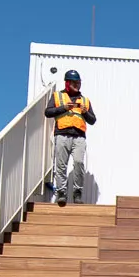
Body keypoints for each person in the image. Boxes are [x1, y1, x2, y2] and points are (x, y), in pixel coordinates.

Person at [45, 70, 96, 204]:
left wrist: (85, 112)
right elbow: (48, 112)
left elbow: (92, 120)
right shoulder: (57, 96)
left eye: (78, 83)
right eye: (74, 83)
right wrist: (63, 108)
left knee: (79, 163)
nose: (77, 85)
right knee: (61, 165)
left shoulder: (85, 100)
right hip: (61, 134)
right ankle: (61, 192)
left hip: (79, 136)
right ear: (67, 83)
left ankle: (77, 193)